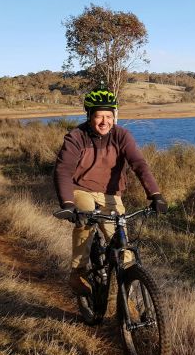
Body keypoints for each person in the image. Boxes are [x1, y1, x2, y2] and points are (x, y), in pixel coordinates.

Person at [54, 87, 167, 296]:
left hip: (111, 195)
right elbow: (63, 170)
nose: (104, 121)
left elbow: (139, 164)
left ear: (114, 116)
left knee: (123, 249)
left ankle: (127, 301)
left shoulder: (121, 135)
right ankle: (77, 272)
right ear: (89, 116)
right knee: (86, 217)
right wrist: (68, 204)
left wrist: (155, 195)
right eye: (99, 116)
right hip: (81, 190)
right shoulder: (76, 137)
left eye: (109, 115)